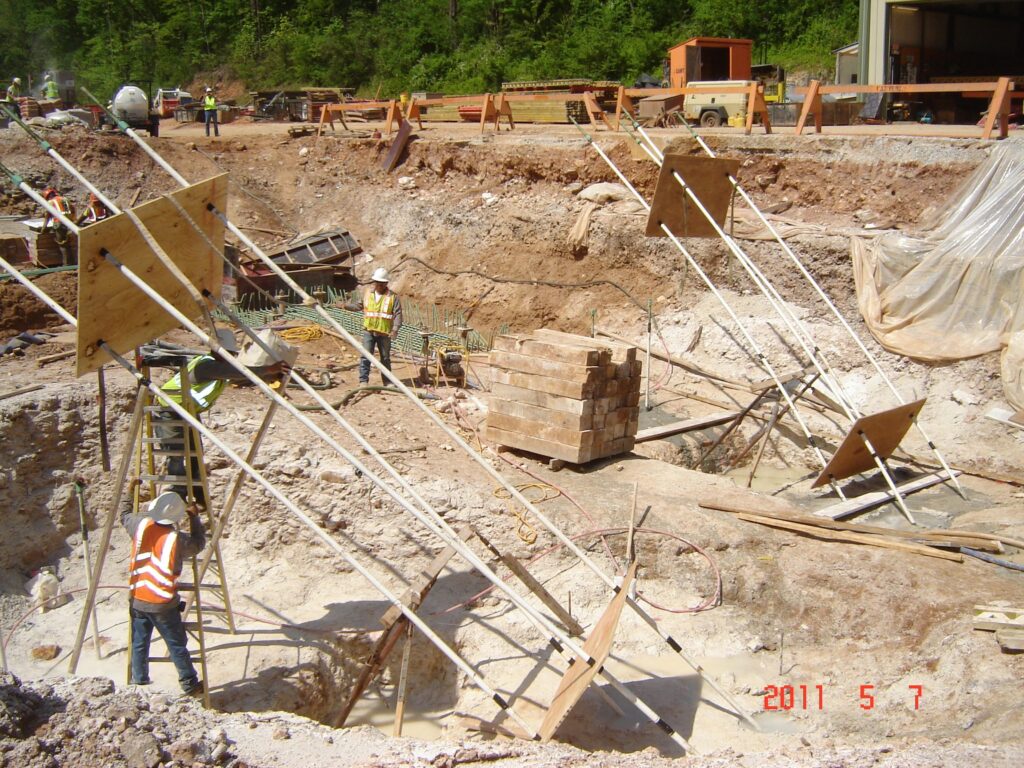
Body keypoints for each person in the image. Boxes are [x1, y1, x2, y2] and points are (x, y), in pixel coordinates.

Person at [152, 328, 287, 506]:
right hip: (170, 410)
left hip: (188, 411)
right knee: (176, 453)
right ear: (216, 350)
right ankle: (178, 492)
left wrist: (267, 375)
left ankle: (197, 490)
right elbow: (236, 373)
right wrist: (267, 369)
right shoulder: (206, 365)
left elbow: (238, 379)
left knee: (195, 454)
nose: (231, 356)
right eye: (229, 353)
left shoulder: (218, 370)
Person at [121, 485, 205, 695]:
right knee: (176, 644)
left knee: (139, 642)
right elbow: (198, 543)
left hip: (138, 598)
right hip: (161, 602)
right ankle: (189, 683)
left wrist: (131, 491)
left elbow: (124, 514)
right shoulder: (175, 539)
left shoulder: (139, 525)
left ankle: (139, 682)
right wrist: (194, 518)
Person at [356, 267, 402, 385]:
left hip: (384, 333)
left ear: (386, 283)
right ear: (374, 282)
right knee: (366, 356)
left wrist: (395, 329)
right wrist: (344, 306)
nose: (380, 286)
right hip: (369, 331)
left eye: (382, 284)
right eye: (378, 283)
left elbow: (397, 314)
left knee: (385, 358)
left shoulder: (393, 297)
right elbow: (358, 306)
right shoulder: (367, 294)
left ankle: (387, 381)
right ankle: (363, 381)